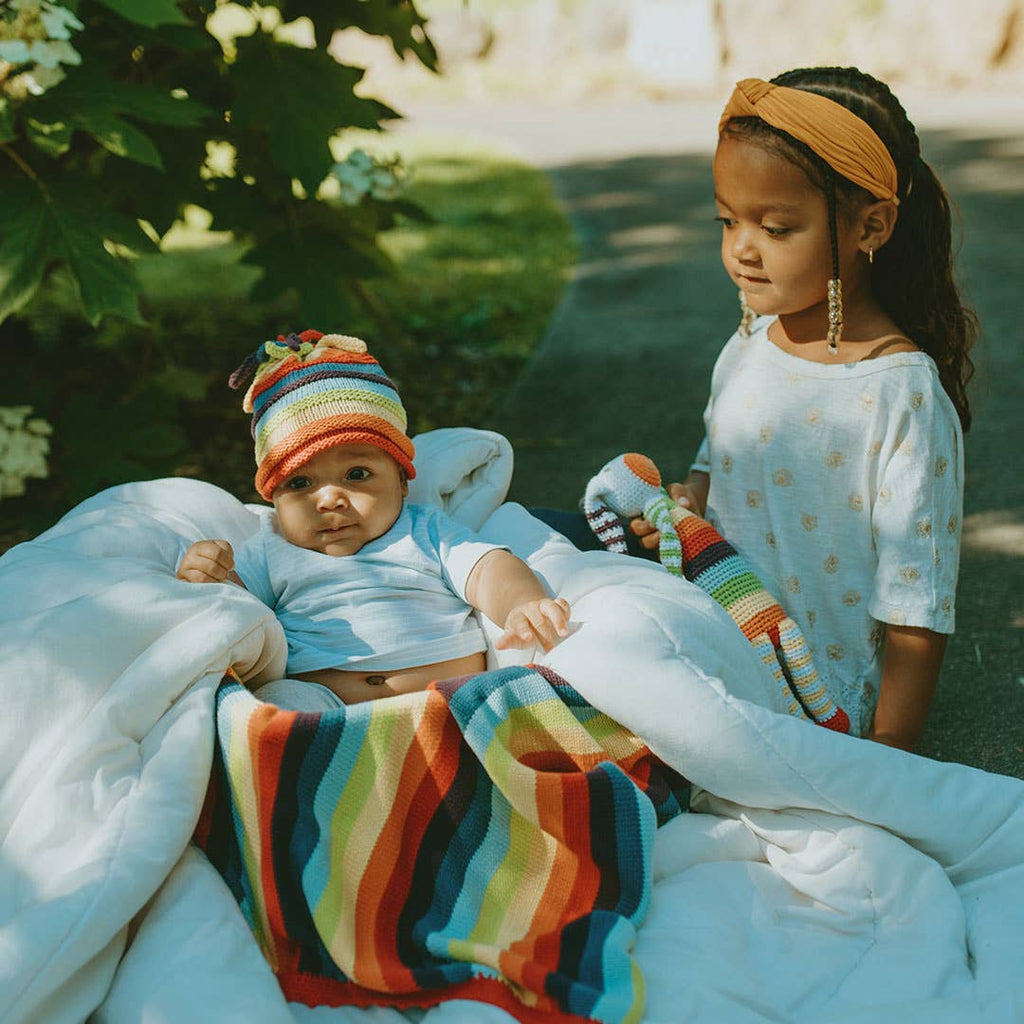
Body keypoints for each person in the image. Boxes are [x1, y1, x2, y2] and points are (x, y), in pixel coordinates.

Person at [632, 67, 975, 751]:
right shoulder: (752, 342)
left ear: (870, 226)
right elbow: (716, 468)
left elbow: (916, 600)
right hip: (715, 629)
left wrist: (891, 758)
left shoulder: (899, 392)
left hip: (816, 698)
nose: (741, 249)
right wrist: (686, 511)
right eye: (727, 220)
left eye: (777, 227)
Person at [177, 329, 571, 706]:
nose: (329, 499)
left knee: (513, 699)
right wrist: (211, 576)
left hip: (449, 697)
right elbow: (239, 614)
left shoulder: (424, 530)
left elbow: (488, 570)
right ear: (273, 497)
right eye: (299, 482)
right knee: (276, 705)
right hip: (327, 706)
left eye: (357, 475)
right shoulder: (270, 546)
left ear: (401, 481)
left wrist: (523, 604)